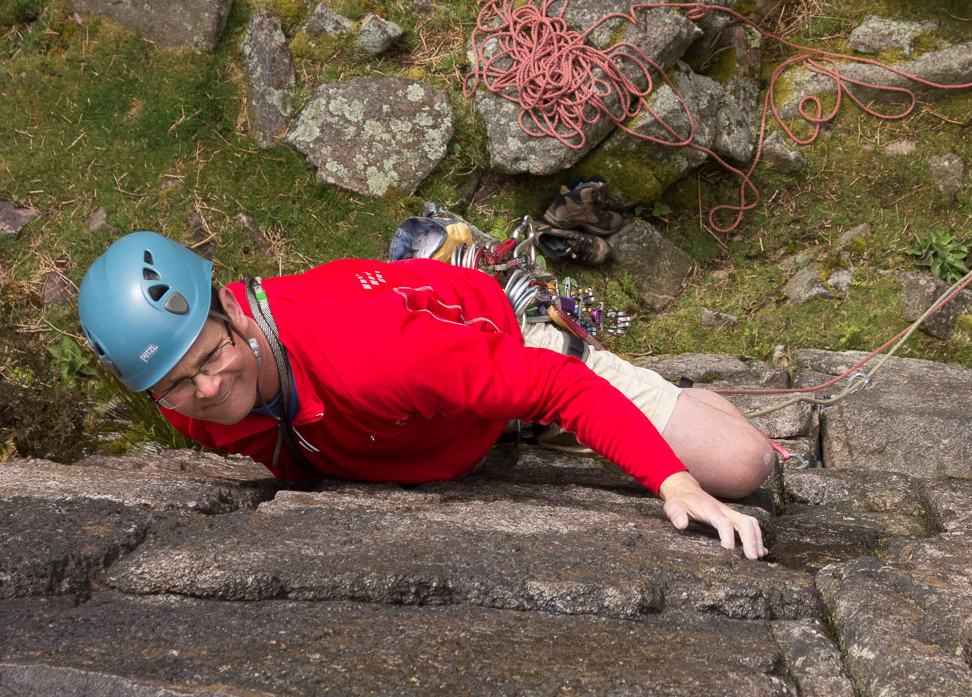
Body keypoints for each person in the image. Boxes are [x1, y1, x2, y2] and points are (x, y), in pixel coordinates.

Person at [77, 231, 773, 559]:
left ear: (232, 308)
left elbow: (558, 387)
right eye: (174, 385)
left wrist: (674, 483)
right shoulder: (185, 403)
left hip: (498, 341)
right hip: (425, 416)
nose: (206, 389)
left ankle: (691, 397)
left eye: (212, 355)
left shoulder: (373, 357)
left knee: (740, 465)